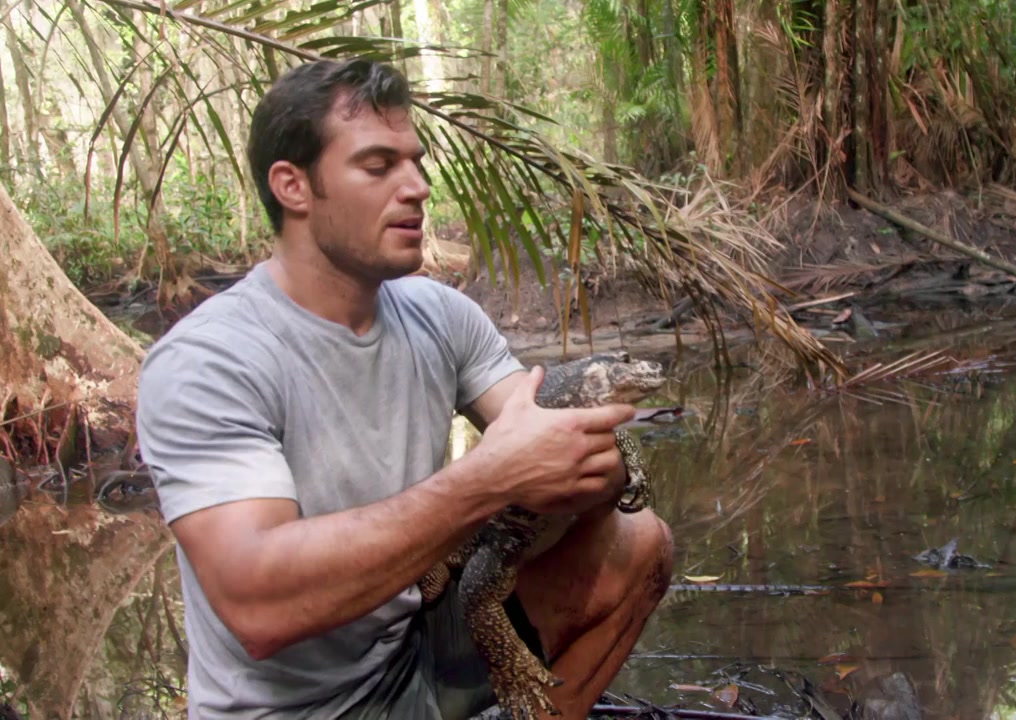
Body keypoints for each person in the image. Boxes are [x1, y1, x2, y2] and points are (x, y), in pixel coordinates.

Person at [134, 58, 674, 719]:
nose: (417, 187)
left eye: (415, 162)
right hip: (295, 711)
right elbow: (258, 608)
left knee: (638, 541)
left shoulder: (439, 314)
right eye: (378, 166)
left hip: (410, 649)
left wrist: (597, 461)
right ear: (293, 186)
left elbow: (557, 441)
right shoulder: (208, 361)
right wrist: (490, 479)